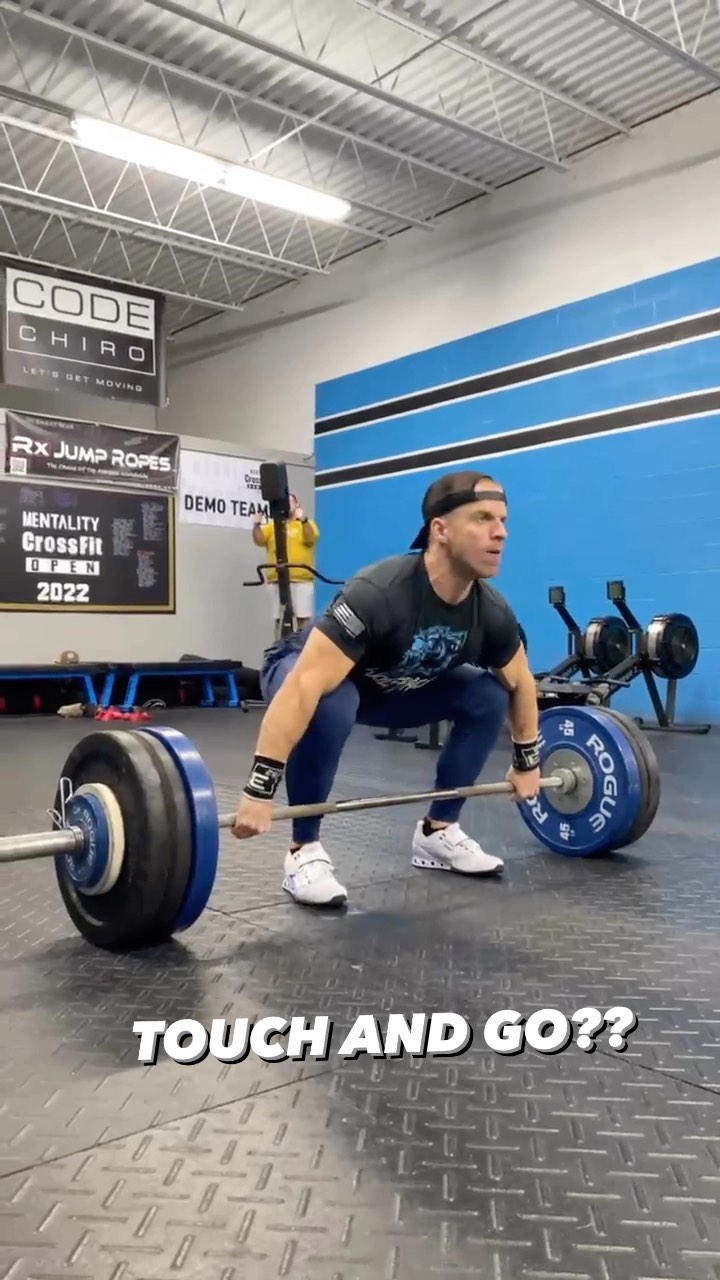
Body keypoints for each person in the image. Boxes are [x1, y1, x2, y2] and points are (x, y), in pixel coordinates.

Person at [233, 470, 541, 908]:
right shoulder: (380, 592)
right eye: (483, 518)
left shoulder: (491, 612)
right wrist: (259, 790)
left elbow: (521, 681)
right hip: (304, 668)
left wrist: (527, 763)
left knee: (488, 694)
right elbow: (304, 686)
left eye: (503, 520)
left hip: (389, 685)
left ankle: (437, 832)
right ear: (440, 530)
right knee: (331, 699)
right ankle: (303, 851)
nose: (501, 533)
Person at [252, 493, 320, 639]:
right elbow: (259, 540)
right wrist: (256, 524)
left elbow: (311, 537)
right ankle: (280, 649)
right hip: (277, 580)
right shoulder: (273, 526)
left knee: (303, 620)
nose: (286, 505)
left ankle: (302, 649)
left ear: (297, 505)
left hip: (301, 580)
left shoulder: (306, 524)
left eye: (290, 502)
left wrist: (303, 519)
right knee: (279, 620)